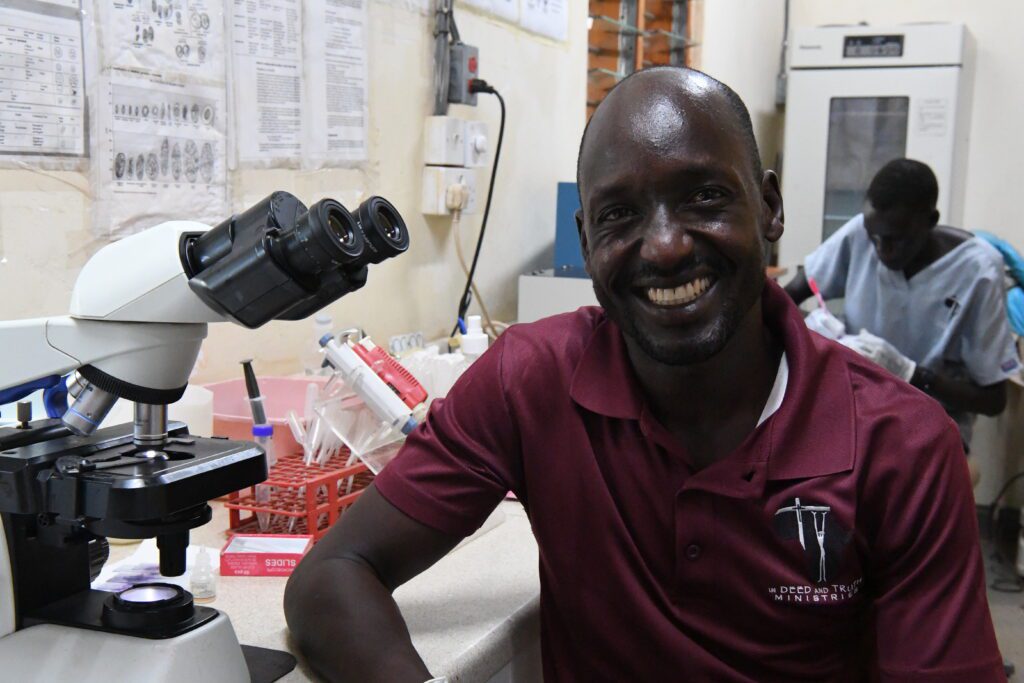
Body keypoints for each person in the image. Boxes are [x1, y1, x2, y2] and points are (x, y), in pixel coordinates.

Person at [285, 68, 1004, 681]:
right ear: (587, 240)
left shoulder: (901, 446)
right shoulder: (529, 381)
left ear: (770, 207)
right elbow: (331, 574)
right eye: (621, 214)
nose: (662, 247)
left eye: (704, 197)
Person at [784, 158, 1019, 449]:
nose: (882, 250)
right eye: (875, 238)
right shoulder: (863, 232)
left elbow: (993, 400)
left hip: (931, 423)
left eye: (896, 240)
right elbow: (788, 295)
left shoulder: (978, 271)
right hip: (855, 405)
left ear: (930, 221)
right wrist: (814, 333)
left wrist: (911, 372)